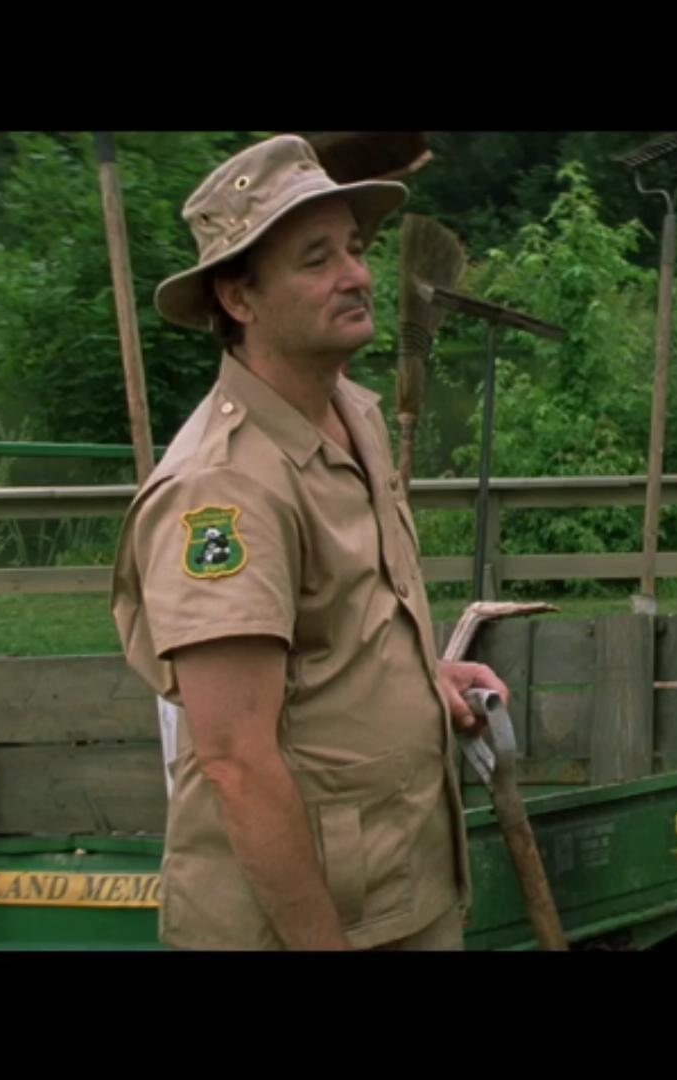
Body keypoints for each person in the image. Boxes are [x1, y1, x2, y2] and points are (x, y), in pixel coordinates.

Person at [111, 135, 507, 950]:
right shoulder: (223, 487)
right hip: (305, 920)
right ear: (239, 298)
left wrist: (419, 676)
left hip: (403, 882)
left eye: (355, 250)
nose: (357, 275)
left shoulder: (353, 414)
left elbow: (336, 626)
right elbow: (236, 759)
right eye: (316, 260)